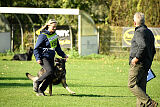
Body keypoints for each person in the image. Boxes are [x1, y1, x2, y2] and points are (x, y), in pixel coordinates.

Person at [128, 12, 158, 107]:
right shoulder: (149, 32)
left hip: (138, 64)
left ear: (134, 23)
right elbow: (153, 50)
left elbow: (142, 46)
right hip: (146, 65)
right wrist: (149, 62)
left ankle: (150, 103)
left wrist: (136, 58)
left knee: (132, 84)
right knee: (141, 88)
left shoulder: (139, 32)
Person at [33, 19, 68, 96]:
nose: (55, 28)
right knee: (50, 71)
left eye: (56, 27)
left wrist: (63, 55)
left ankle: (41, 91)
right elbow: (36, 48)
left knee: (51, 75)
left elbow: (57, 48)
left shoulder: (54, 35)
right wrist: (38, 58)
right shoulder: (43, 36)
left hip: (51, 57)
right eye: (53, 27)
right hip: (43, 57)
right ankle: (37, 82)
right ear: (48, 26)